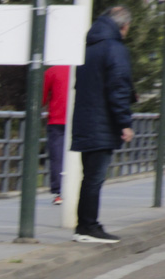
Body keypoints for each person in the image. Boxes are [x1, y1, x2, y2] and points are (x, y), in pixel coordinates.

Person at [69, 6, 134, 244]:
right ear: (123, 26)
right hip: (102, 122)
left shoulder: (89, 47)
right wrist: (125, 123)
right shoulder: (115, 48)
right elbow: (118, 87)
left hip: (85, 120)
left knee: (89, 177)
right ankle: (87, 227)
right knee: (94, 178)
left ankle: (85, 225)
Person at [42, 65, 70, 205]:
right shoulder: (83, 68)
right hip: (80, 120)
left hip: (56, 120)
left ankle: (58, 193)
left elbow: (41, 98)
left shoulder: (52, 71)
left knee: (57, 157)